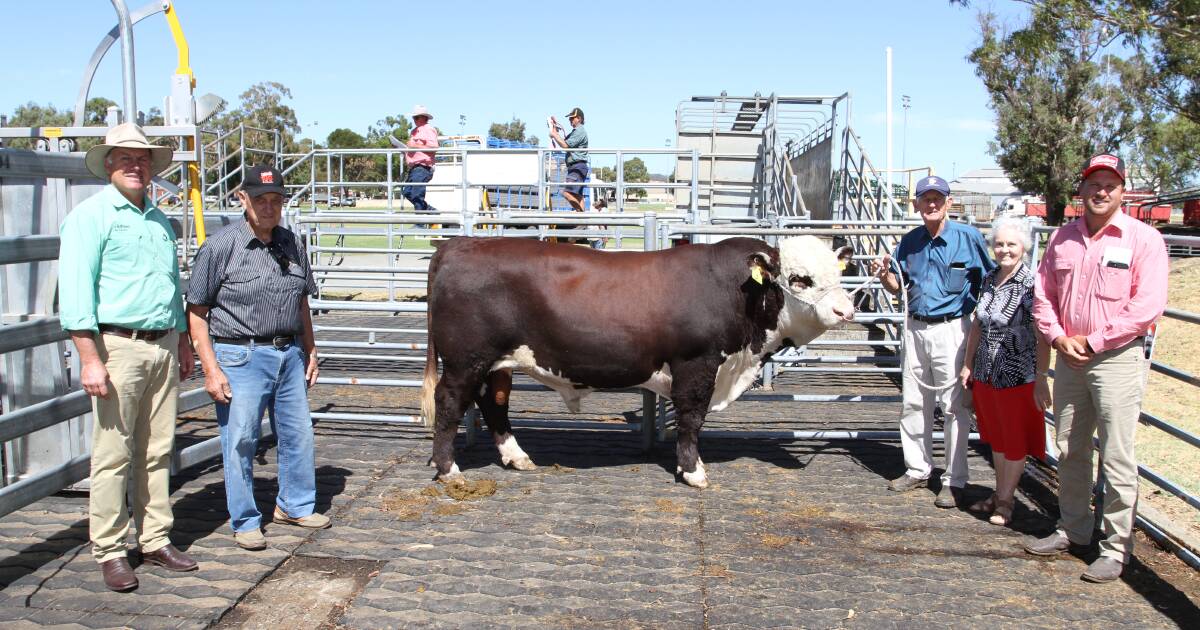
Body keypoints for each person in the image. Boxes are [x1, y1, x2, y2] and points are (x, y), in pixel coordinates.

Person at [58, 122, 198, 592]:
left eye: (142, 160)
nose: (136, 166)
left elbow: (170, 287)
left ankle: (155, 537)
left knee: (157, 449)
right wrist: (90, 357)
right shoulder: (90, 217)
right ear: (109, 165)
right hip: (116, 346)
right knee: (114, 451)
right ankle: (111, 548)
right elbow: (77, 294)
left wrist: (181, 340)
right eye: (126, 158)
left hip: (160, 343)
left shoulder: (159, 221)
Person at [1023, 154, 1168, 583]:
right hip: (1069, 357)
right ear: (1081, 190)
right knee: (1069, 447)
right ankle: (1072, 528)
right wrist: (1058, 337)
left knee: (1118, 454)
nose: (1101, 192)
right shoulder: (1062, 239)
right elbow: (1043, 295)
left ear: (1122, 191)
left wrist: (1095, 340)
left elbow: (1147, 305)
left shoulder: (1144, 240)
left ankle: (1116, 547)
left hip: (1116, 359)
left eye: (1110, 184)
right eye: (1093, 184)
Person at [186, 165, 330, 551]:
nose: (269, 207)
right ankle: (246, 519)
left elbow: (301, 300)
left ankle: (295, 505)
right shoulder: (220, 247)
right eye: (261, 199)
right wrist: (211, 369)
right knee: (241, 439)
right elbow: (196, 312)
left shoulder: (292, 242)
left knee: (298, 434)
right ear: (242, 198)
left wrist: (310, 348)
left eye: (276, 200)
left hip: (288, 352)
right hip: (240, 354)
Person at [869, 175, 995, 508]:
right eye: (926, 199)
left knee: (954, 405)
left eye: (938, 198)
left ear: (949, 202)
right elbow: (899, 286)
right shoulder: (909, 241)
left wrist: (984, 324)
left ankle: (954, 480)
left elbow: (989, 279)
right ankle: (917, 468)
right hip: (915, 326)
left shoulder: (968, 238)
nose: (932, 204)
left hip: (953, 328)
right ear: (916, 205)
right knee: (913, 400)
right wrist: (884, 275)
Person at [959, 217, 1053, 526]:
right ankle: (1000, 494)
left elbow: (1042, 334)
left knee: (1014, 441)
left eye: (1011, 244)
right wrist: (968, 363)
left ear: (1024, 247)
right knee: (997, 439)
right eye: (999, 244)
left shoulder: (1033, 284)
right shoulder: (989, 278)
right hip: (987, 372)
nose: (1004, 250)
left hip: (1017, 374)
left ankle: (1006, 501)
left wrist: (1041, 378)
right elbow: (978, 324)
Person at [549, 107, 588, 211]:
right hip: (577, 166)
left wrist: (554, 134)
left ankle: (581, 215)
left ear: (579, 118)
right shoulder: (575, 132)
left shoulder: (579, 131)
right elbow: (562, 140)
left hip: (577, 166)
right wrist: (554, 128)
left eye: (572, 118)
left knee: (566, 193)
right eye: (570, 118)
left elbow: (565, 145)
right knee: (578, 196)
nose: (570, 120)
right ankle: (582, 224)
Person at [401, 105, 439, 214]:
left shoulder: (429, 129)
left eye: (416, 117)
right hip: (414, 168)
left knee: (417, 194)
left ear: (424, 118)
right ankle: (430, 210)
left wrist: (415, 146)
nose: (414, 120)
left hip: (422, 167)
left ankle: (420, 223)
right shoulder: (414, 132)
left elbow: (434, 147)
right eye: (414, 118)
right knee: (407, 192)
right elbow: (413, 148)